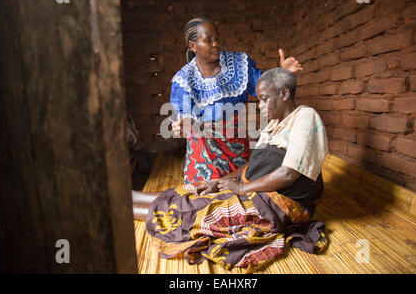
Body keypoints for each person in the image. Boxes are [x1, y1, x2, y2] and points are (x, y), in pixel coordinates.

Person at [134, 68, 329, 272]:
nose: (260, 106)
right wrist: (218, 182)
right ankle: (129, 197)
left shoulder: (305, 117)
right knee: (192, 190)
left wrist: (241, 189)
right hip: (256, 189)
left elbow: (288, 174)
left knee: (196, 211)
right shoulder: (274, 124)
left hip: (280, 201)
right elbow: (251, 165)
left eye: (264, 99)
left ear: (284, 93)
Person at [169, 17, 302, 184]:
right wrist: (184, 125)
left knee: (240, 189)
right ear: (193, 46)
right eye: (208, 40)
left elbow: (264, 87)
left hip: (236, 144)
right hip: (203, 150)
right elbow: (185, 116)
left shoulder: (238, 64)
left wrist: (283, 73)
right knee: (205, 197)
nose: (215, 44)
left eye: (216, 38)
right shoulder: (183, 80)